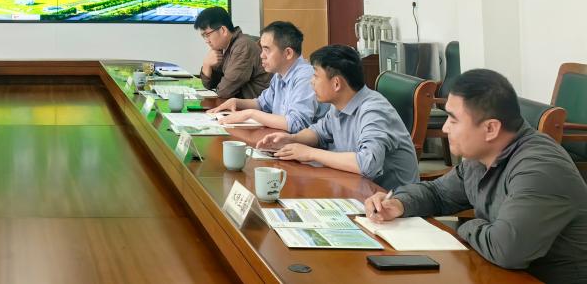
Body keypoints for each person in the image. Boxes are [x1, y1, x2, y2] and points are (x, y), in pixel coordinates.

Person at [364, 69, 587, 283]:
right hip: (497, 273)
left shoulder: (540, 170)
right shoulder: (481, 156)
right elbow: (438, 193)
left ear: (491, 129)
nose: (444, 128)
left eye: (453, 120)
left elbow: (507, 250)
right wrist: (399, 203)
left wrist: (464, 226)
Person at [257, 44, 419, 190]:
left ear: (336, 84)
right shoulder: (339, 104)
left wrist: (310, 153)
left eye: (316, 76)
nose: (311, 82)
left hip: (390, 201)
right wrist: (292, 139)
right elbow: (319, 132)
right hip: (355, 189)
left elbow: (367, 164)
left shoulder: (373, 110)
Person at [208, 21, 324, 132]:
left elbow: (297, 124)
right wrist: (236, 102)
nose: (261, 56)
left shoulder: (306, 77)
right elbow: (262, 103)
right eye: (262, 49)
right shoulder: (279, 75)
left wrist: (251, 114)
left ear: (288, 53)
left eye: (266, 50)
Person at [193, 6, 270, 99]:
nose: (206, 41)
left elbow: (224, 91)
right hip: (240, 105)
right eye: (203, 36)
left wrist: (217, 86)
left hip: (256, 106)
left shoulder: (243, 47)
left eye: (207, 35)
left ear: (223, 30)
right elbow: (209, 85)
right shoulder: (223, 47)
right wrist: (207, 65)